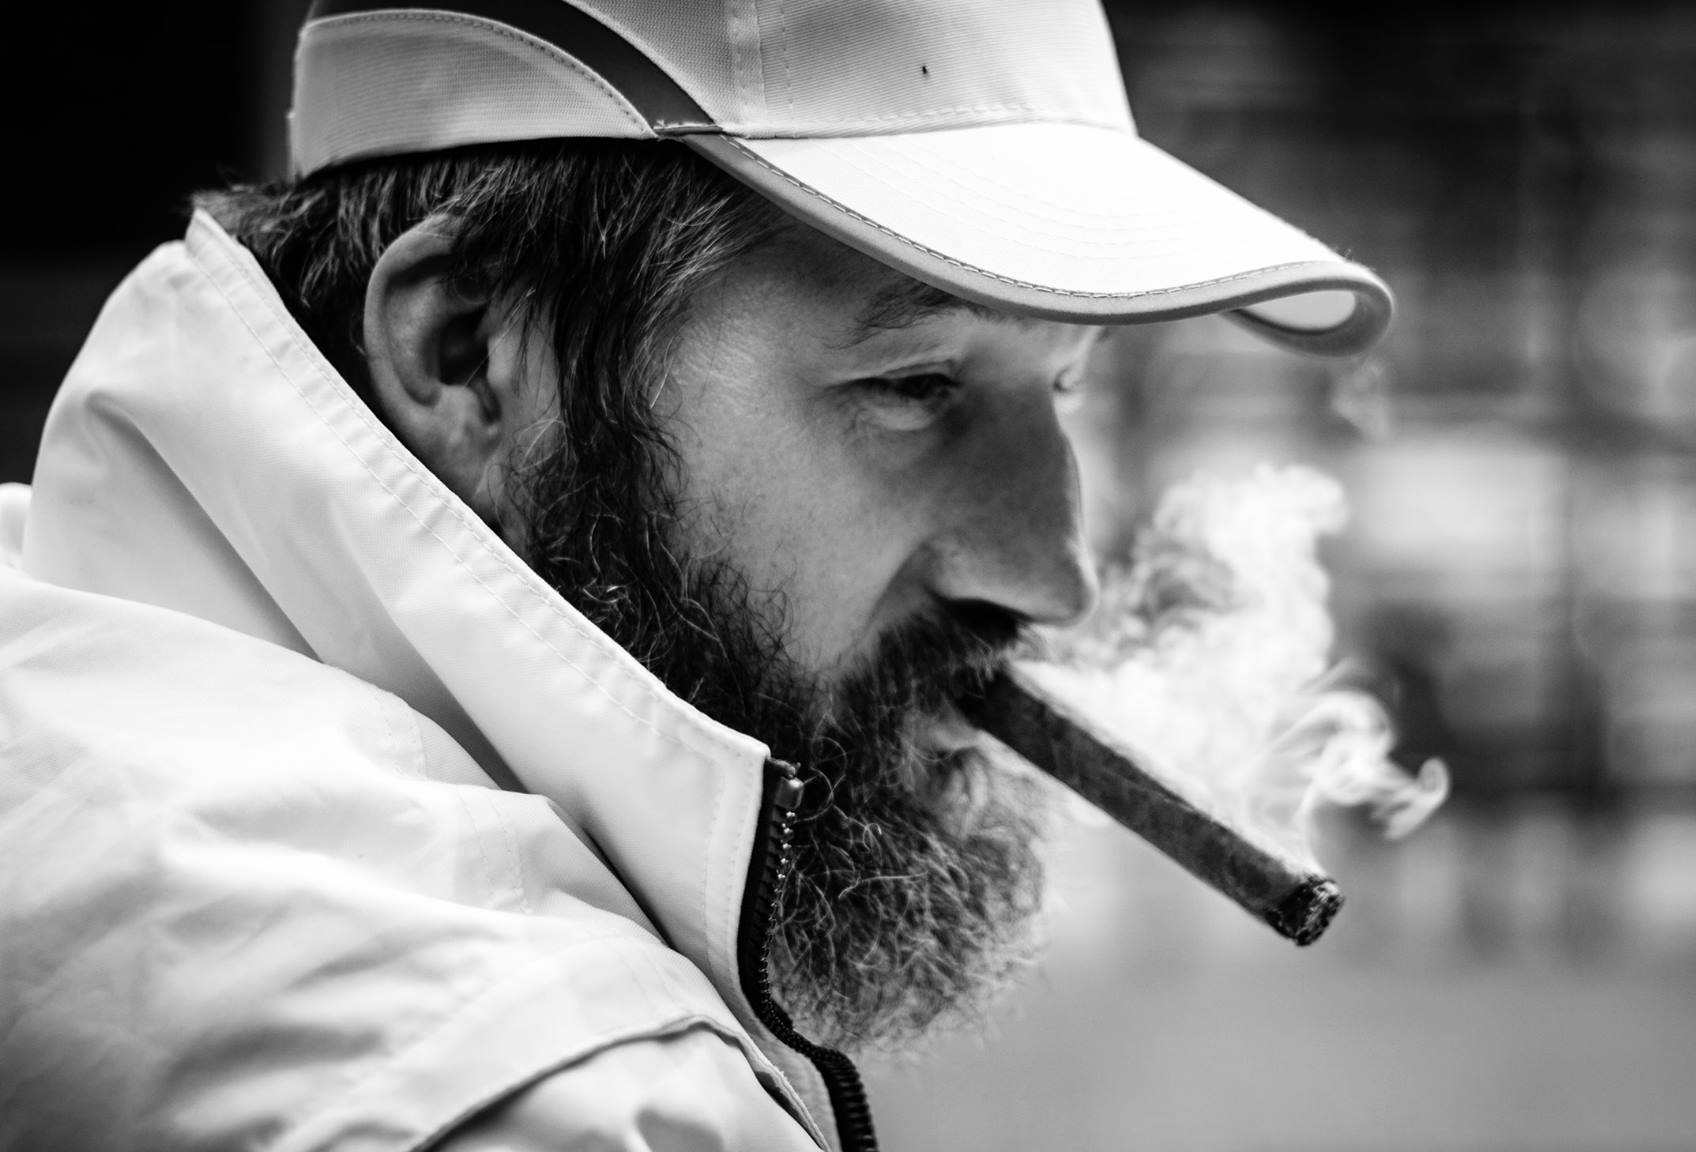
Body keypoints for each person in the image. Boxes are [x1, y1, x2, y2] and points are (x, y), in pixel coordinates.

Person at [0, 2, 1393, 1149]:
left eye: (1065, 387)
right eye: (915, 384)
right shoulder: (552, 1102)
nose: (1050, 578)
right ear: (467, 351)